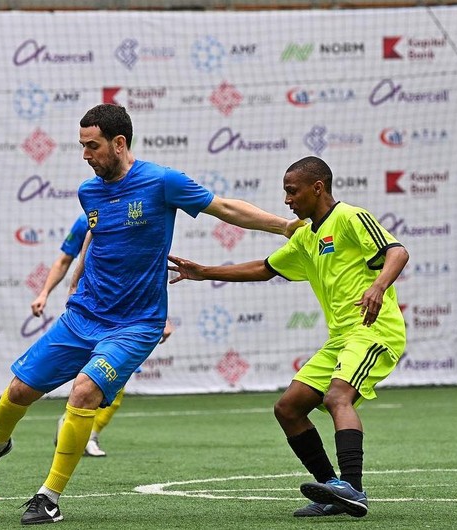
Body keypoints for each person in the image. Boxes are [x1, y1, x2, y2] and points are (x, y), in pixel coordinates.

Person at [0, 103, 301, 525]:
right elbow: (95, 238)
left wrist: (285, 227)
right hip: (83, 315)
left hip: (136, 324)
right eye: (82, 146)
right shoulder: (89, 192)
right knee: (18, 391)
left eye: (92, 146)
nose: (85, 155)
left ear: (119, 143)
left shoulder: (162, 182)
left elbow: (224, 208)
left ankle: (48, 497)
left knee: (84, 392)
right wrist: (75, 277)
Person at [167, 156, 408, 519]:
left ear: (318, 188)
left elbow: (397, 252)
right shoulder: (306, 237)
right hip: (341, 338)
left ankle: (352, 487)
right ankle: (333, 490)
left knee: (337, 396)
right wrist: (204, 271)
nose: (287, 200)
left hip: (374, 330)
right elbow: (265, 268)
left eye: (292, 191)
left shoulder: (350, 217)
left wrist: (378, 286)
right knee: (288, 408)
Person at [38, 213, 173, 457]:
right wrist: (44, 293)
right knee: (86, 379)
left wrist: (162, 317)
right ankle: (76, 425)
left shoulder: (139, 220)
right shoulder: (87, 221)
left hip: (128, 319)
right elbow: (64, 260)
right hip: (89, 314)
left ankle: (88, 434)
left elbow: (146, 274)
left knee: (115, 382)